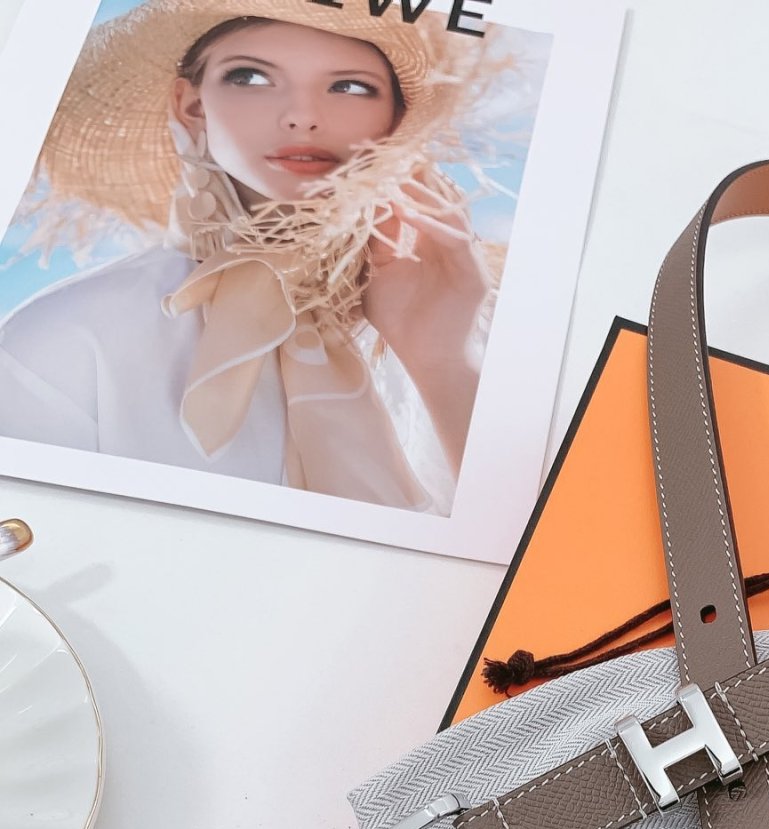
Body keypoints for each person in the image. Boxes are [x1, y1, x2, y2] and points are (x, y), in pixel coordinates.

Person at [0, 0, 515, 513]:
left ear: (396, 117)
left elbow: (528, 541)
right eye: (250, 77)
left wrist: (443, 360)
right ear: (192, 106)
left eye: (350, 87)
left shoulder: (479, 326)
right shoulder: (68, 336)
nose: (302, 117)